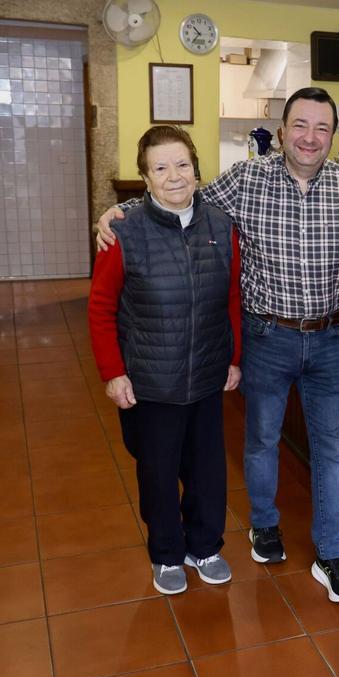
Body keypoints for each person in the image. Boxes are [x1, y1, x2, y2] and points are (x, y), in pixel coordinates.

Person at [97, 87, 339, 603]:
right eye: (300, 126)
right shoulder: (247, 179)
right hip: (267, 335)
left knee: (331, 451)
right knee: (261, 441)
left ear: (333, 136)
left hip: (330, 338)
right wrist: (118, 213)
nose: (310, 137)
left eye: (321, 128)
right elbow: (177, 198)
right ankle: (264, 527)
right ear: (281, 132)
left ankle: (331, 554)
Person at [88, 125, 242, 596]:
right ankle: (167, 553)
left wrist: (233, 359)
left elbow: (232, 297)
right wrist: (113, 373)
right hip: (151, 380)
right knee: (157, 472)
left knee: (207, 470)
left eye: (182, 164)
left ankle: (205, 546)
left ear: (196, 167)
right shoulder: (124, 233)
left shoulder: (221, 224)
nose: (174, 176)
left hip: (207, 375)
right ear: (145, 178)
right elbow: (100, 308)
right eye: (160, 168)